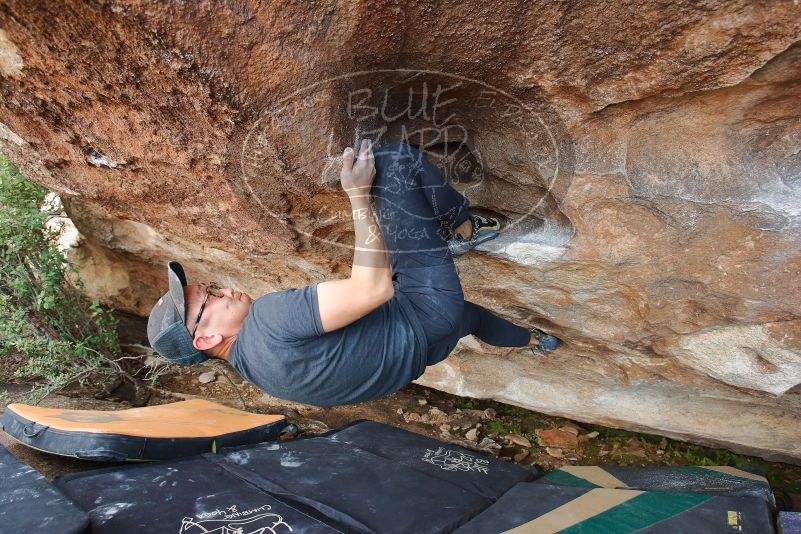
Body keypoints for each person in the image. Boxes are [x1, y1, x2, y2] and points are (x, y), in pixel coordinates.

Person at [147, 140, 560, 407]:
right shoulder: (267, 321)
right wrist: (357, 194)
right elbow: (372, 289)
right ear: (205, 338)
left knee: (469, 318)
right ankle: (465, 227)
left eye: (213, 287)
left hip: (421, 350)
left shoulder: (261, 374)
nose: (225, 291)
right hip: (423, 308)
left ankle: (535, 339)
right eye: (212, 297)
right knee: (393, 160)